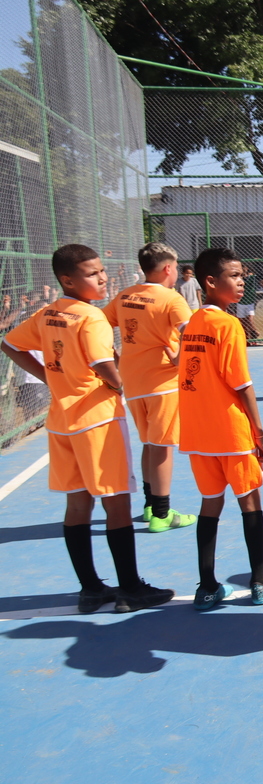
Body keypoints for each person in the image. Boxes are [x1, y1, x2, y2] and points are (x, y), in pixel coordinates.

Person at [1, 244, 174, 613]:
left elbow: (9, 344)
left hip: (61, 422)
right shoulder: (91, 317)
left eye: (101, 270)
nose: (103, 277)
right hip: (97, 419)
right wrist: (119, 383)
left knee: (78, 504)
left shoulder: (49, 313)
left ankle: (91, 589)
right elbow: (103, 365)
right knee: (117, 504)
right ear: (68, 280)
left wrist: (50, 377)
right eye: (93, 273)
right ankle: (130, 589)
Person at [179, 247, 263, 610]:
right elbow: (241, 384)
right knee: (250, 504)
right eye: (234, 276)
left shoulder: (193, 323)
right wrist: (260, 432)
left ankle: (207, 587)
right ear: (210, 281)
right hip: (231, 432)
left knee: (210, 505)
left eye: (242, 275)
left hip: (196, 433)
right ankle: (260, 582)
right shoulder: (227, 324)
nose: (241, 282)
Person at [101, 241, 198, 533]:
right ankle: (162, 513)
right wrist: (180, 360)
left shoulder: (125, 295)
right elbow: (191, 335)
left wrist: (116, 358)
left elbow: (100, 325)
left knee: (149, 443)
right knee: (163, 446)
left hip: (133, 381)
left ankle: (148, 506)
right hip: (162, 382)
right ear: (168, 268)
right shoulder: (171, 298)